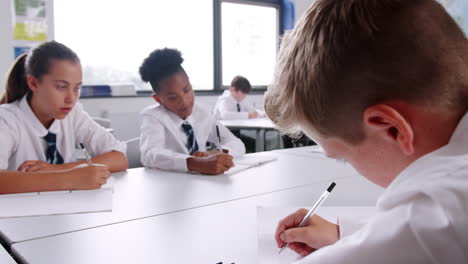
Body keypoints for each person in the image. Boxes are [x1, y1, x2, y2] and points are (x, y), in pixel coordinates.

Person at [264, 0, 468, 263]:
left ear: (392, 128)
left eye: (343, 157)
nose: (348, 165)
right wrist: (346, 234)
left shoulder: (439, 212)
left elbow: (422, 228)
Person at [0, 41, 128, 194]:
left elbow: (119, 158)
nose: (71, 98)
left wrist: (58, 169)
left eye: (77, 88)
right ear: (33, 83)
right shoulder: (6, 119)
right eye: (61, 87)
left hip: (65, 212)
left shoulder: (73, 114)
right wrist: (69, 178)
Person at [139, 48, 246, 175]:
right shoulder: (153, 117)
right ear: (158, 99)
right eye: (173, 98)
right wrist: (195, 163)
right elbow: (150, 154)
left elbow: (237, 143)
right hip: (170, 185)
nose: (184, 101)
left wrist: (215, 153)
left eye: (187, 90)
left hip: (201, 182)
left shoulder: (202, 112)